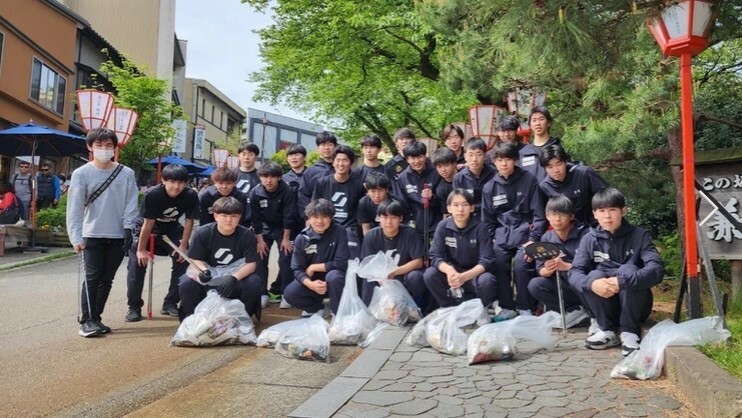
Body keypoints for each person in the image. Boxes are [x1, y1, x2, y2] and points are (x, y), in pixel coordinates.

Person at [569, 188, 664, 355]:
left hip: (636, 306)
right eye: (602, 211)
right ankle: (607, 330)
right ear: (595, 214)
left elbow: (656, 269)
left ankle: (630, 332)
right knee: (594, 276)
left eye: (612, 210)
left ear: (623, 211)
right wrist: (592, 284)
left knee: (629, 270)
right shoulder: (589, 239)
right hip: (605, 306)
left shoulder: (639, 235)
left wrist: (623, 281)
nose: (607, 216)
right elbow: (575, 272)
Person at [66, 128, 138, 337]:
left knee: (107, 279)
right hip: (92, 234)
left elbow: (131, 204)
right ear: (90, 147)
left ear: (115, 147)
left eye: (109, 146)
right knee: (92, 277)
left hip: (117, 235)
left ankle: (96, 318)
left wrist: (128, 228)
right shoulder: (81, 174)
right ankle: (86, 320)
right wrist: (76, 237)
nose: (104, 149)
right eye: (99, 145)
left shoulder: (126, 173)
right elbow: (75, 208)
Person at [124, 164, 199, 322]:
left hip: (171, 229)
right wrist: (141, 250)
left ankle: (170, 302)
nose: (176, 186)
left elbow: (189, 221)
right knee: (137, 266)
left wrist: (183, 246)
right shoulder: (153, 194)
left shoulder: (190, 195)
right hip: (146, 229)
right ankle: (134, 307)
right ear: (163, 180)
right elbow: (148, 223)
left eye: (181, 182)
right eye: (172, 181)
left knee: (183, 260)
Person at [482, 142, 546, 321]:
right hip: (502, 234)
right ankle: (506, 306)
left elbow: (539, 215)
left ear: (515, 160)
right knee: (498, 260)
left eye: (508, 159)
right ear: (494, 162)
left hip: (526, 233)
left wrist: (533, 240)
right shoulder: (489, 187)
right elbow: (487, 220)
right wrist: (492, 239)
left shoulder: (529, 180)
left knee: (521, 262)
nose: (504, 164)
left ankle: (526, 307)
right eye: (500, 160)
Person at [178, 196, 263, 321]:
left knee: (254, 282)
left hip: (233, 279)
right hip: (209, 278)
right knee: (186, 282)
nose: (229, 220)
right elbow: (194, 259)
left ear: (240, 217)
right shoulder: (203, 233)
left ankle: (242, 319)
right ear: (215, 215)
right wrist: (203, 271)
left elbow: (251, 264)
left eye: (234, 216)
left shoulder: (247, 235)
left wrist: (233, 278)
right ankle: (192, 318)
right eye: (224, 216)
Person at [424, 189, 497, 309]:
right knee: (430, 274)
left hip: (474, 273)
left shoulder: (481, 227)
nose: (460, 209)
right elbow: (435, 256)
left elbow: (487, 260)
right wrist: (449, 271)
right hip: (452, 272)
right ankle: (449, 308)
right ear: (449, 208)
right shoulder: (443, 226)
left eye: (465, 205)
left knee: (487, 280)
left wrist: (464, 277)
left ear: (472, 208)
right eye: (456, 205)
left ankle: (481, 310)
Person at [527, 196, 590, 329]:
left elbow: (593, 267)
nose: (557, 219)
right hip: (564, 287)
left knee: (578, 276)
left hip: (584, 285)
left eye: (562, 214)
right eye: (553, 214)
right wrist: (548, 269)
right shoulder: (546, 238)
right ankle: (574, 310)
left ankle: (593, 312)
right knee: (535, 285)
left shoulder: (586, 235)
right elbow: (541, 270)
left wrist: (566, 266)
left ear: (572, 216)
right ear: (547, 216)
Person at [360, 200, 431, 313]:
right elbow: (368, 263)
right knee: (366, 279)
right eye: (385, 217)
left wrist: (395, 272)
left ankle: (417, 306)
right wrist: (380, 277)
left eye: (393, 217)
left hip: (403, 274)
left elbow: (418, 261)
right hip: (380, 277)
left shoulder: (409, 233)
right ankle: (369, 311)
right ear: (378, 219)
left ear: (401, 218)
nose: (389, 221)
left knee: (416, 277)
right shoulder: (371, 236)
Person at [283, 199, 349, 317]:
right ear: (308, 218)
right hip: (314, 283)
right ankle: (319, 308)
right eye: (315, 217)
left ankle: (339, 314)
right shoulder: (302, 238)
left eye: (324, 216)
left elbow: (342, 263)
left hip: (335, 281)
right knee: (290, 293)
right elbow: (297, 269)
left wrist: (314, 267)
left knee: (334, 276)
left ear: (331, 217)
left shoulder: (340, 232)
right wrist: (310, 284)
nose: (320, 221)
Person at [249, 161, 297, 307]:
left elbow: (289, 216)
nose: (268, 180)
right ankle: (262, 293)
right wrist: (260, 240)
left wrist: (286, 238)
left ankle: (286, 294)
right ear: (260, 177)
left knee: (285, 259)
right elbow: (255, 218)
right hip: (264, 228)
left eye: (272, 177)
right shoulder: (255, 192)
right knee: (261, 258)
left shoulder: (287, 191)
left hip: (283, 228)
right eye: (265, 177)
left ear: (279, 178)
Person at [312, 145, 366, 258]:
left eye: (345, 160)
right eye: (338, 160)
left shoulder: (358, 186)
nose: (341, 164)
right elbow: (315, 209)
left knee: (352, 260)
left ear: (350, 163)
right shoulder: (322, 183)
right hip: (327, 226)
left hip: (350, 229)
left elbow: (361, 212)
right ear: (333, 162)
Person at [539, 144, 608, 227]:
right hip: (567, 230)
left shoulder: (583, 173)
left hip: (594, 225)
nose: (556, 170)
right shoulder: (544, 187)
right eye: (550, 167)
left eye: (559, 164)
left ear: (565, 162)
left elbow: (605, 196)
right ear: (544, 168)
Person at [395, 141, 442, 242]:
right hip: (414, 224)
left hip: (436, 222)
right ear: (407, 159)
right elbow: (402, 204)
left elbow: (443, 200)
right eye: (412, 158)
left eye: (420, 157)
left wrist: (432, 197)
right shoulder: (403, 177)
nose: (416, 161)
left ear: (425, 156)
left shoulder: (436, 172)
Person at [453, 137, 496, 219]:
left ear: (485, 156)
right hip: (469, 218)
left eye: (479, 154)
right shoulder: (459, 178)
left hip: (491, 217)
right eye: (470, 154)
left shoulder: (494, 174)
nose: (474, 159)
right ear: (465, 156)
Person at [298, 131, 337, 220]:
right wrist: (307, 218)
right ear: (318, 148)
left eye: (330, 144)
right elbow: (303, 196)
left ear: (335, 147)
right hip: (318, 218)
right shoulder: (311, 171)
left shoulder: (342, 169)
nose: (327, 148)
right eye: (323, 145)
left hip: (340, 217)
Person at [519, 106, 561, 181]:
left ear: (549, 123)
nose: (537, 123)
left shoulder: (557, 148)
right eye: (534, 120)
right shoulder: (523, 153)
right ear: (530, 125)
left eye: (541, 119)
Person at [358, 171, 394, 236]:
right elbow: (366, 227)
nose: (377, 195)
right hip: (373, 235)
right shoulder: (363, 203)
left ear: (386, 190)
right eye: (373, 191)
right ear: (367, 190)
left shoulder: (395, 203)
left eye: (380, 191)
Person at [431, 147, 458, 218]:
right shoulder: (441, 189)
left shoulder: (465, 178)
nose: (443, 169)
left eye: (446, 165)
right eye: (439, 167)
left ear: (454, 164)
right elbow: (446, 214)